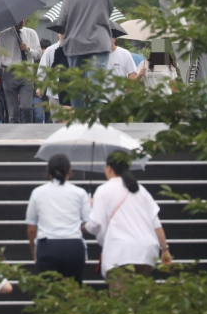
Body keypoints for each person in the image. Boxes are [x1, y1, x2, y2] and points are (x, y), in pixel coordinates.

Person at [83, 151, 172, 290]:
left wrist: (81, 226)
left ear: (109, 168)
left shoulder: (103, 190)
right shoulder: (140, 189)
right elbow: (156, 223)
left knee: (121, 305)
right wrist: (165, 249)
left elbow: (95, 224)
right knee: (140, 302)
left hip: (121, 255)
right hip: (146, 254)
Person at [26, 154, 91, 284]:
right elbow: (88, 224)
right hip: (73, 247)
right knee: (74, 291)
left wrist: (34, 251)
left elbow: (31, 228)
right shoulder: (80, 193)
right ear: (69, 171)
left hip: (47, 247)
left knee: (48, 292)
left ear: (48, 172)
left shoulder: (38, 193)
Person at [58, 0, 114, 108]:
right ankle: (95, 117)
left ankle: (79, 119)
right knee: (97, 83)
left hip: (76, 44)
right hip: (99, 43)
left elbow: (62, 20)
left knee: (77, 86)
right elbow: (109, 12)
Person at [0, 19, 42, 123]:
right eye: (20, 19)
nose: (23, 21)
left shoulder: (31, 33)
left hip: (26, 71)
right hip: (10, 71)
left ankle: (27, 130)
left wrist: (28, 49)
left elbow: (38, 54)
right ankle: (14, 134)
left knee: (26, 107)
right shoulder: (4, 35)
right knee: (13, 111)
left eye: (24, 18)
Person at [37, 32, 70, 122]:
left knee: (69, 120)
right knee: (57, 120)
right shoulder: (51, 50)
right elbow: (42, 69)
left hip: (69, 92)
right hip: (53, 92)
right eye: (61, 33)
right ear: (57, 34)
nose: (63, 35)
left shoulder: (74, 49)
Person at [33, 38, 52, 124]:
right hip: (36, 95)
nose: (43, 51)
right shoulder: (34, 63)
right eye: (42, 48)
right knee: (38, 116)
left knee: (50, 118)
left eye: (46, 48)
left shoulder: (52, 62)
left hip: (50, 94)